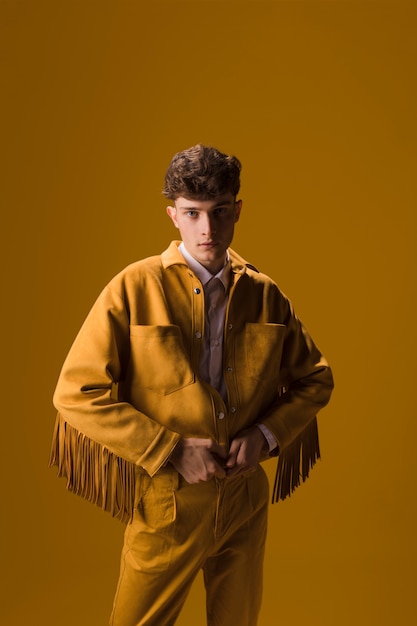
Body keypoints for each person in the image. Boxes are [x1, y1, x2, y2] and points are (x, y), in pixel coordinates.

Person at [49, 144, 334, 626]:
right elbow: (75, 392)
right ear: (172, 215)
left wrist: (265, 438)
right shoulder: (134, 287)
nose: (208, 228)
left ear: (237, 211)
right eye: (193, 213)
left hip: (244, 501)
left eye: (220, 212)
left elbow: (315, 378)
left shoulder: (265, 296)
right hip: (168, 502)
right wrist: (171, 449)